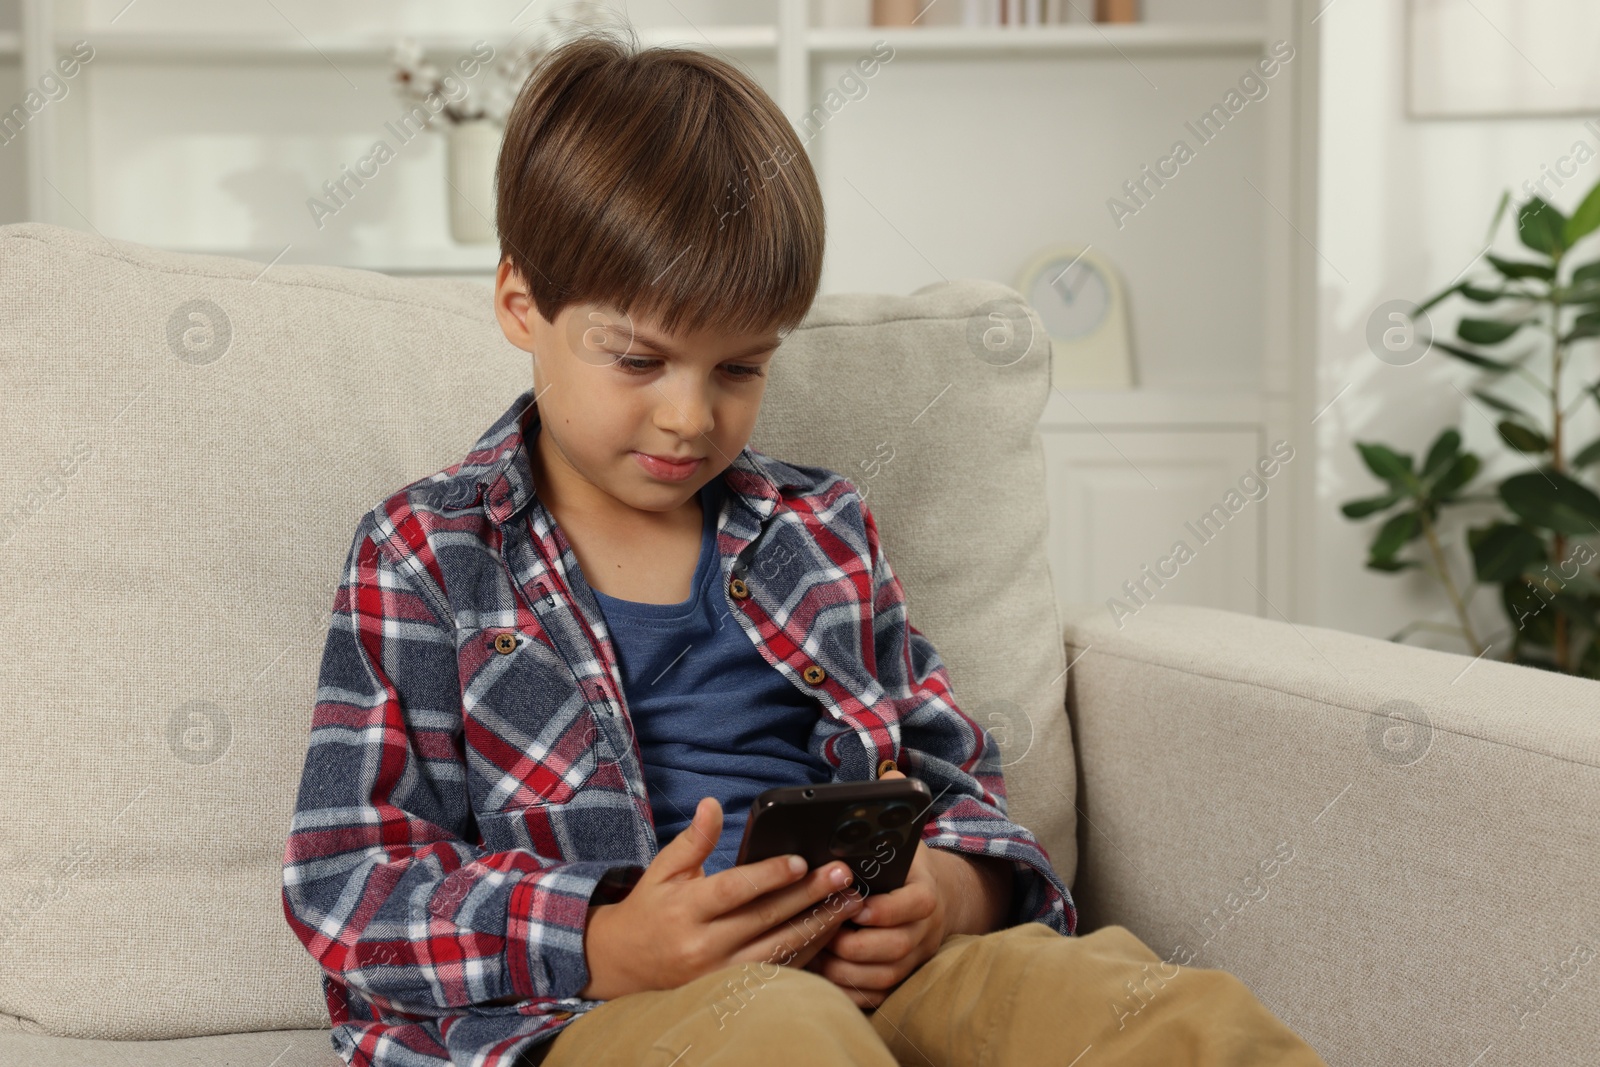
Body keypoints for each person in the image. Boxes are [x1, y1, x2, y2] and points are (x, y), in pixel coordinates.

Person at [280, 23, 1329, 1067]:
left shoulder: (819, 530)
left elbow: (950, 779)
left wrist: (945, 893)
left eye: (738, 369)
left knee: (1160, 1008)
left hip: (870, 973)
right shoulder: (426, 552)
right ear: (521, 303)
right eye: (639, 361)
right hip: (590, 1013)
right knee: (781, 1035)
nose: (689, 416)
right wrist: (602, 938)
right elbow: (347, 878)